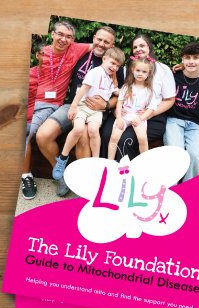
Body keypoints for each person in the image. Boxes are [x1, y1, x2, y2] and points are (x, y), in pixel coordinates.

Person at [34, 26, 120, 197]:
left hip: (96, 111)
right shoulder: (78, 52)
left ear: (112, 45)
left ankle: (86, 183)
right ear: (93, 38)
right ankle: (63, 176)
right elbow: (58, 46)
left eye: (106, 42)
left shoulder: (114, 65)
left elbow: (119, 96)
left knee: (83, 135)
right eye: (99, 39)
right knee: (42, 136)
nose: (101, 44)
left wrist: (104, 106)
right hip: (72, 104)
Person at [20, 21, 93, 200]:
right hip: (32, 102)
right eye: (60, 34)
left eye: (68, 36)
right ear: (52, 34)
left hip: (49, 105)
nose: (63, 39)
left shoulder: (75, 49)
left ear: (73, 40)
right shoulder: (42, 53)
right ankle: (26, 175)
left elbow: (100, 44)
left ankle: (56, 174)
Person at [51, 47, 125, 180]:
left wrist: (123, 91)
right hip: (83, 106)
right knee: (78, 129)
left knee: (93, 130)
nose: (114, 67)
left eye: (118, 66)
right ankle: (63, 158)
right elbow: (83, 89)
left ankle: (95, 162)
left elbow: (116, 92)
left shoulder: (110, 78)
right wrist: (73, 107)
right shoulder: (95, 72)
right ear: (104, 59)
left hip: (96, 111)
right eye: (112, 63)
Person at [100, 34, 177, 161]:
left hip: (152, 116)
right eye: (135, 47)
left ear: (149, 47)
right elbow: (118, 94)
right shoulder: (127, 69)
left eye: (142, 45)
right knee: (107, 133)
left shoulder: (163, 70)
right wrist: (116, 111)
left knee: (127, 140)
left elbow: (170, 100)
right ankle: (107, 169)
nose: (138, 49)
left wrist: (149, 114)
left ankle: (129, 174)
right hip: (125, 112)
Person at [163, 43, 199, 182]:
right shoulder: (173, 76)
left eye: (196, 58)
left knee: (195, 156)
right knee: (176, 152)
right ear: (182, 60)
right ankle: (171, 186)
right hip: (174, 120)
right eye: (187, 58)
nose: (191, 61)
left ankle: (188, 187)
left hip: (194, 124)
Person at [108, 57, 160, 160]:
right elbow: (119, 102)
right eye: (138, 70)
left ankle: (143, 161)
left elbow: (151, 108)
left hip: (138, 117)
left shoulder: (149, 90)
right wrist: (118, 117)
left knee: (142, 138)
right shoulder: (127, 87)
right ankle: (110, 162)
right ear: (132, 70)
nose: (140, 73)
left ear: (149, 74)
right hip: (124, 115)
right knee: (114, 138)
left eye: (144, 71)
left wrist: (141, 118)